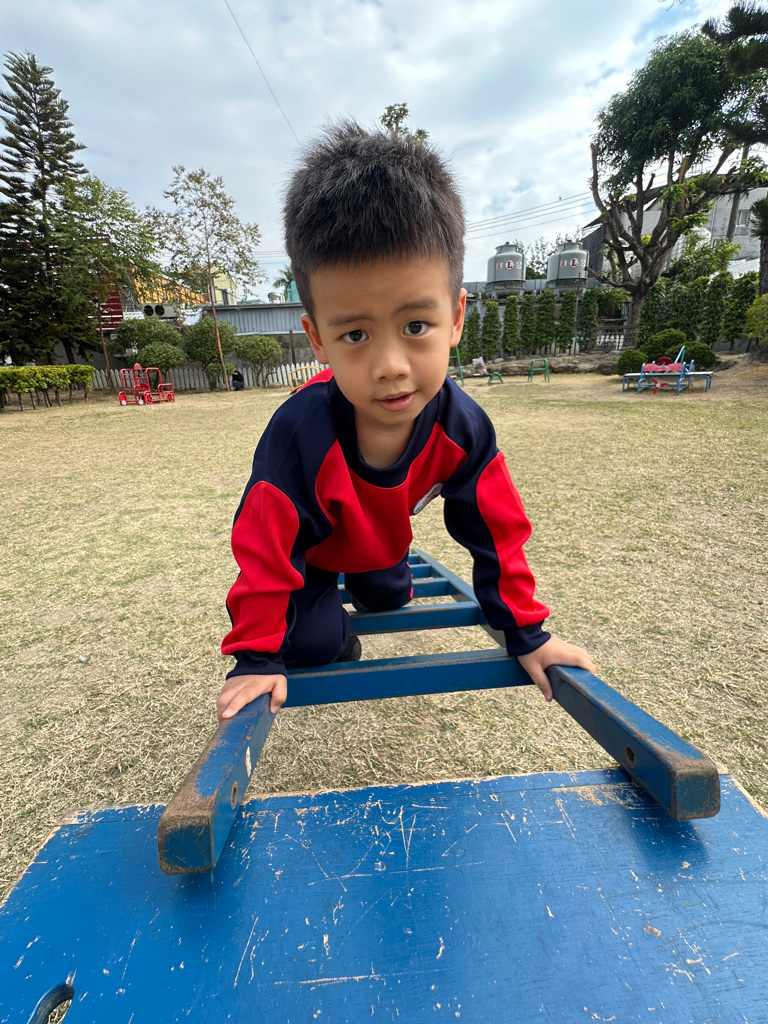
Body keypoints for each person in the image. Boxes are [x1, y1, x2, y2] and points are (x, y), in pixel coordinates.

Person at [217, 121, 595, 721]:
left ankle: (382, 569)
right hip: (315, 553)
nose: (391, 366)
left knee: (388, 595)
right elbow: (265, 547)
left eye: (416, 326)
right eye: (355, 334)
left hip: (380, 540)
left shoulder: (463, 427)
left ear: (456, 318)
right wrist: (256, 657)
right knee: (309, 646)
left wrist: (527, 633)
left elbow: (497, 531)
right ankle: (339, 624)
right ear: (317, 338)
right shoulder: (298, 434)